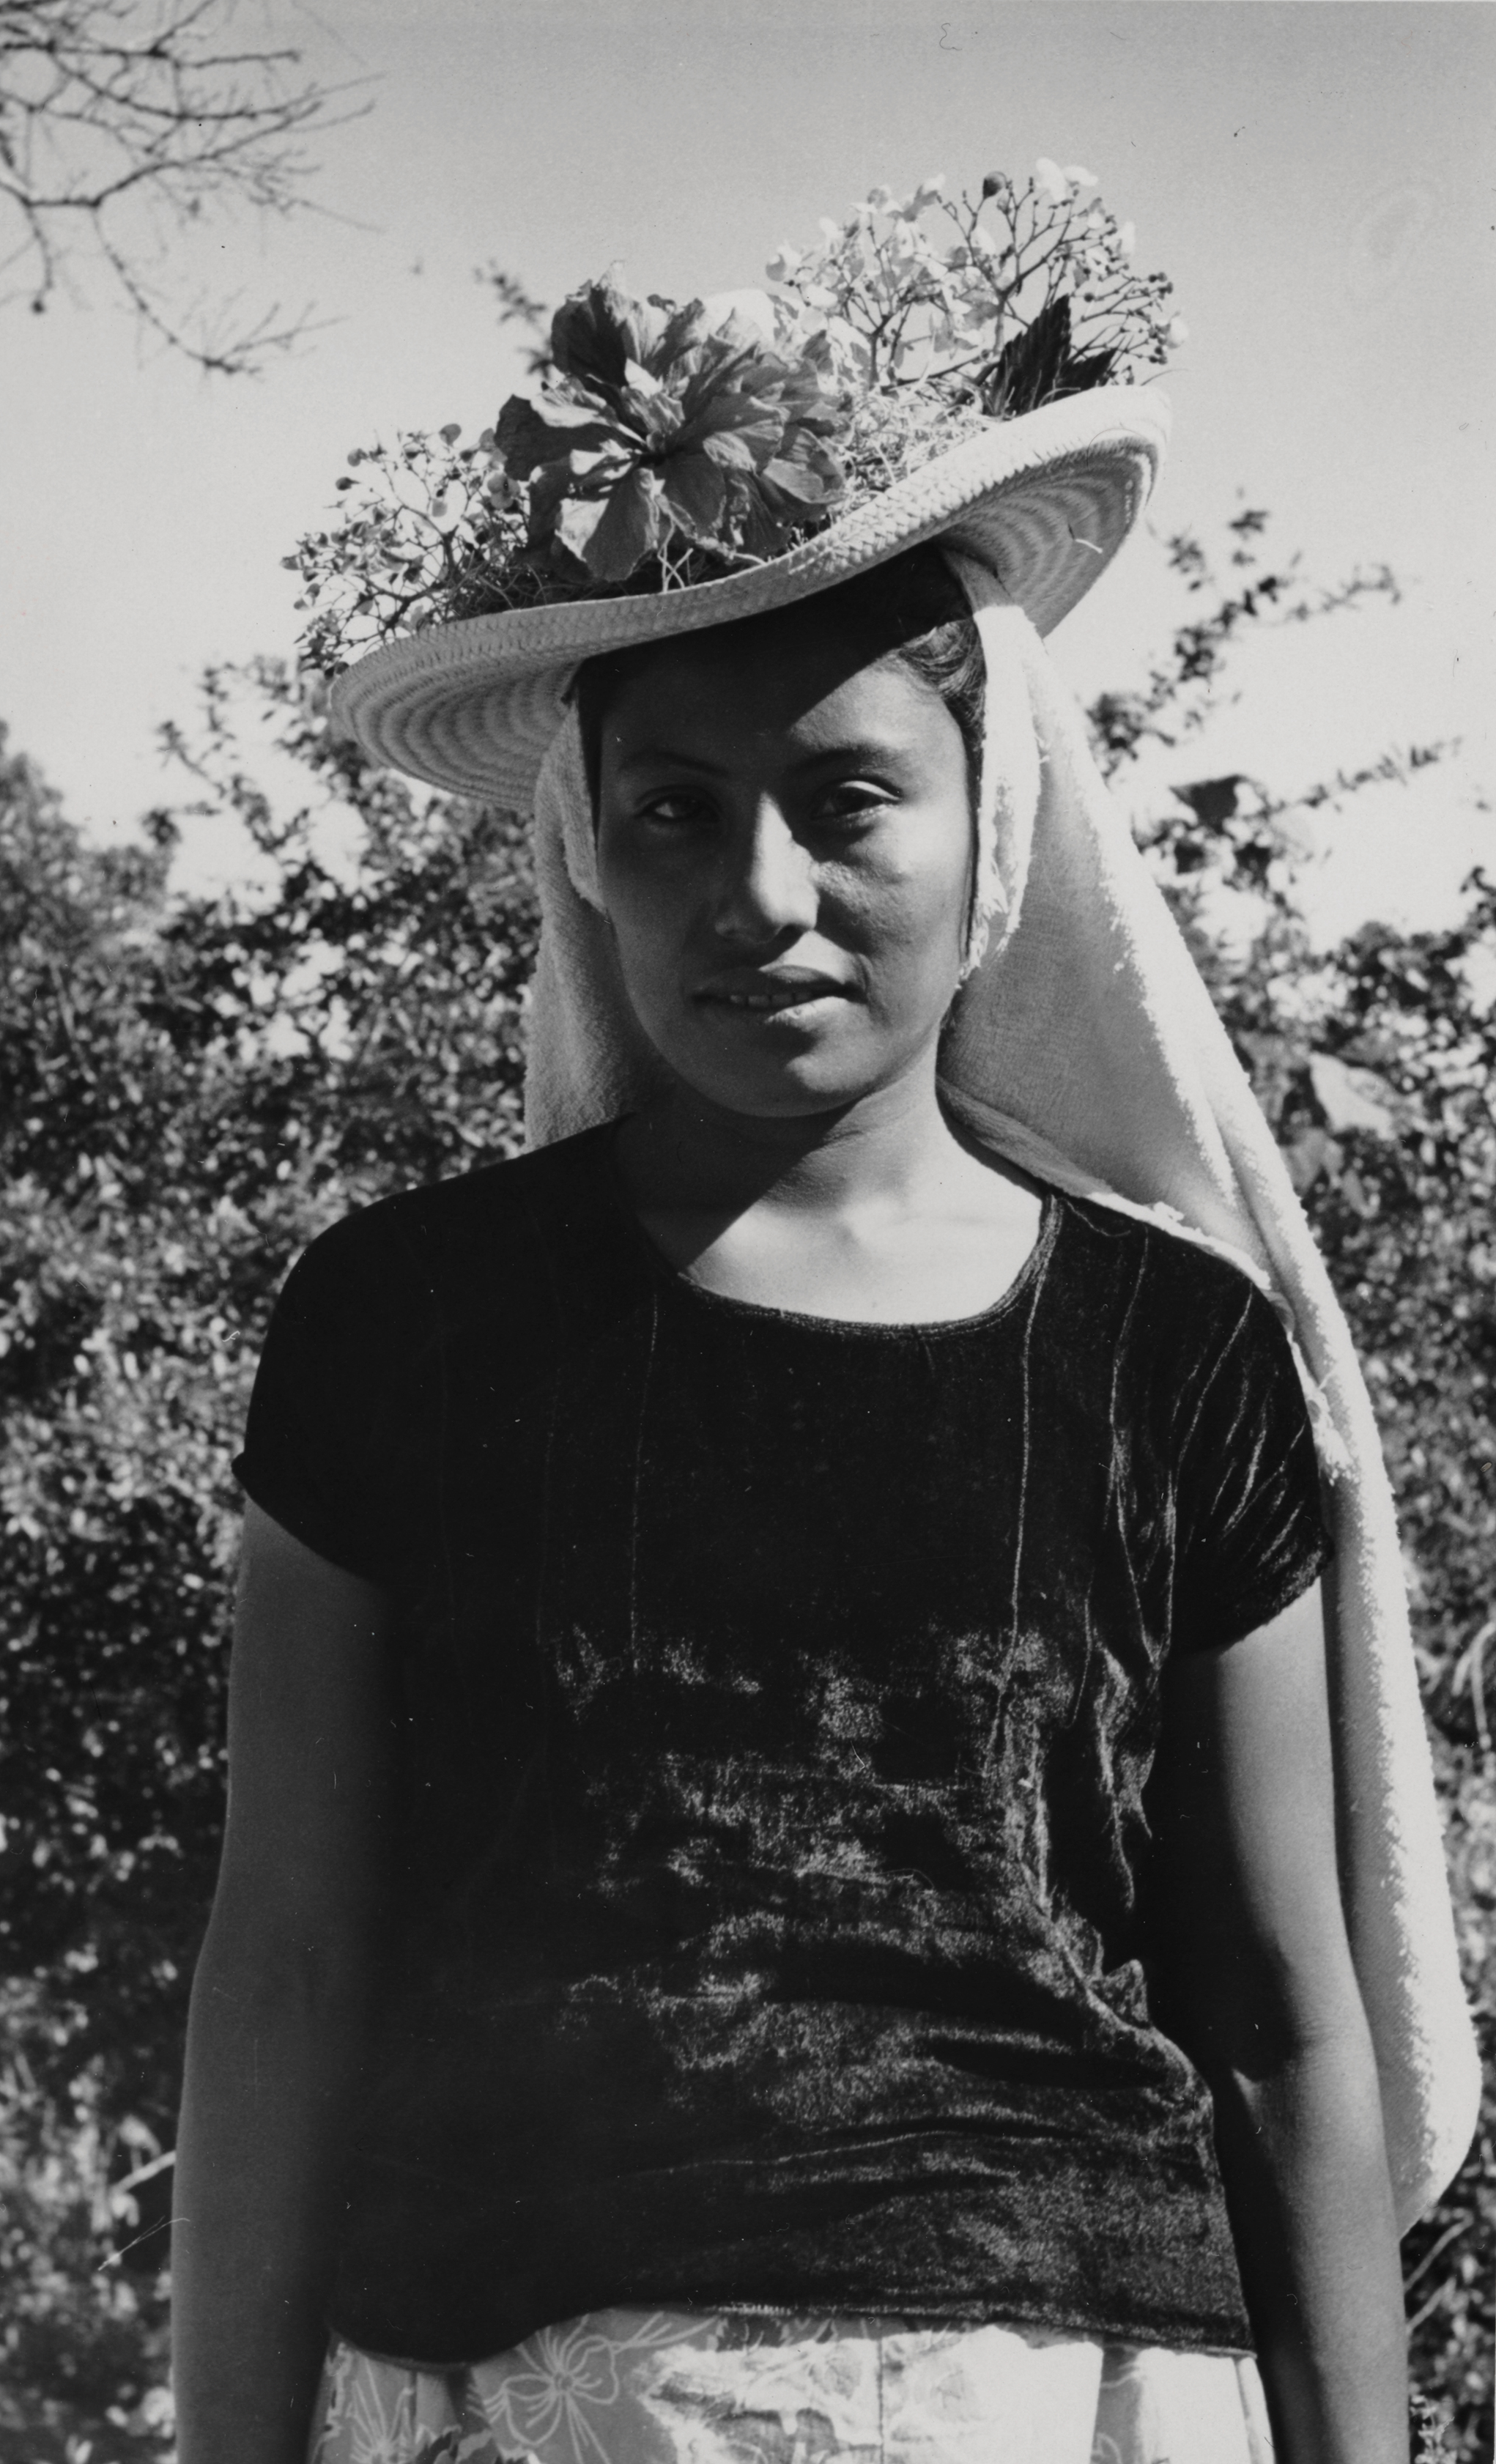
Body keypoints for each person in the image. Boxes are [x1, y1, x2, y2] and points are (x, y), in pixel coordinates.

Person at [171, 263, 1471, 2464]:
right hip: (524, 2395)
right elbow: (286, 1959)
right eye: (675, 810)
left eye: (849, 797)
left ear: (992, 827)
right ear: (587, 850)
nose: (760, 892)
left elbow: (1278, 2018)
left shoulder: (1177, 1363)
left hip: (1069, 2394)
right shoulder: (407, 1324)